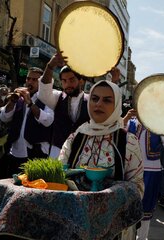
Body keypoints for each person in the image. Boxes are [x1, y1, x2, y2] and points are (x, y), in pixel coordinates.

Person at [58, 80, 144, 240]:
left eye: (107, 100)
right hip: (74, 221)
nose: (99, 104)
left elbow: (137, 188)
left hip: (114, 228)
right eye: (94, 98)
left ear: (117, 104)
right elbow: (59, 172)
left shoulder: (128, 142)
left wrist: (107, 199)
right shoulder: (76, 136)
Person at [124, 108, 164, 240]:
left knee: (146, 208)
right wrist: (125, 119)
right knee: (128, 206)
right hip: (131, 170)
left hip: (151, 171)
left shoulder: (158, 125)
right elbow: (116, 132)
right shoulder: (130, 122)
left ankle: (142, 238)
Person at [0, 67, 54, 176]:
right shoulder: (19, 98)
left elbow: (48, 121)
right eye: (28, 79)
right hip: (15, 152)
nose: (30, 82)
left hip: (36, 154)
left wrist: (30, 103)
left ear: (41, 83)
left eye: (34, 80)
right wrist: (12, 101)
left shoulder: (48, 99)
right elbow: (4, 117)